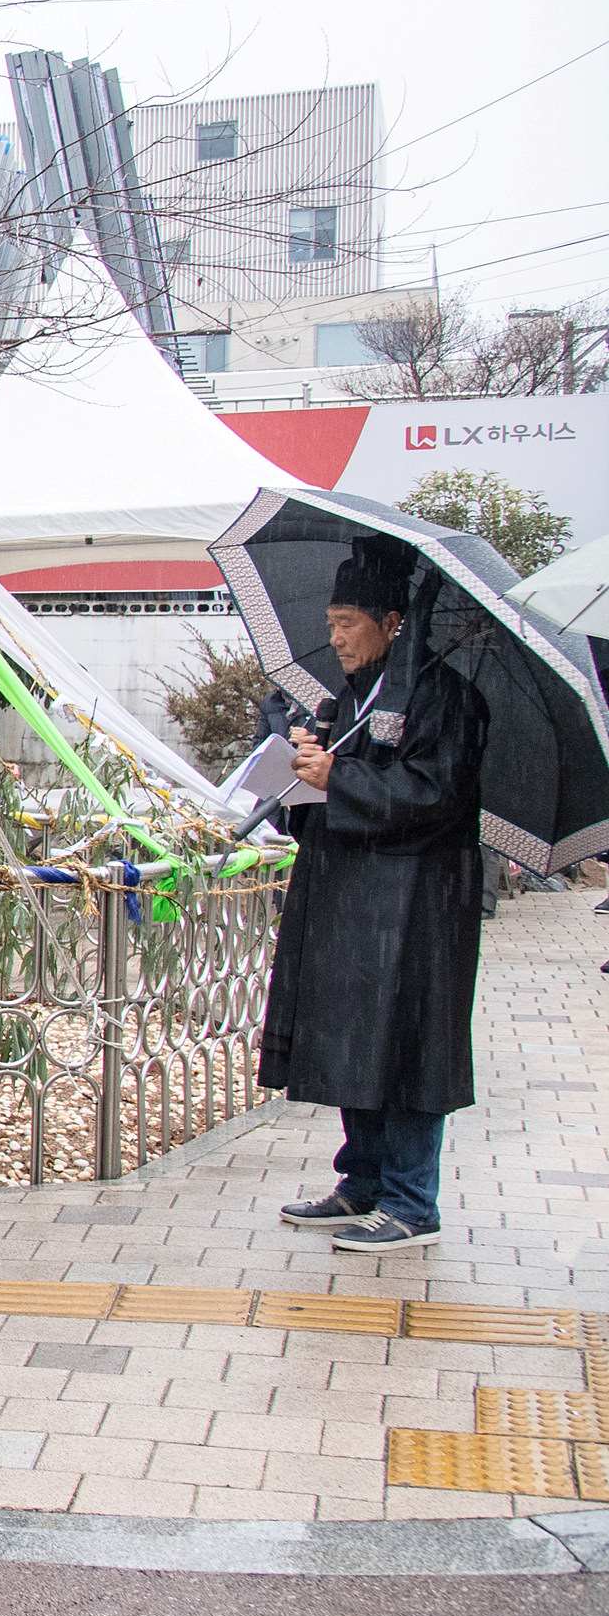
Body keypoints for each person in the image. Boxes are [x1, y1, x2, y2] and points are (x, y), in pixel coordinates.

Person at [264, 537, 491, 1254]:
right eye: (330, 623)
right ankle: (361, 1181)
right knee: (353, 1038)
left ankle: (411, 1201)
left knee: (408, 1045)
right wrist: (300, 772)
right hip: (348, 900)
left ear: (393, 622)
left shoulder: (445, 697)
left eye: (347, 624)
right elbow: (322, 794)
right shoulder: (351, 700)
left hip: (418, 906)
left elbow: (438, 794)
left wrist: (342, 779)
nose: (335, 638)